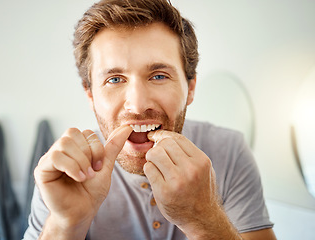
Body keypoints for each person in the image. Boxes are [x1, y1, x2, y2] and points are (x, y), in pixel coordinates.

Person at [23, 0, 276, 239]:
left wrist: (204, 218)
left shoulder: (230, 151)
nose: (138, 104)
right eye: (114, 79)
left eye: (158, 76)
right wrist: (64, 224)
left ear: (191, 87)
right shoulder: (66, 170)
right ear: (90, 94)